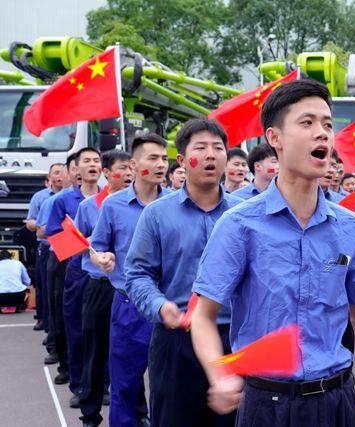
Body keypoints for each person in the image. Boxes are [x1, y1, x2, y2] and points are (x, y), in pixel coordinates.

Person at [191, 79, 355, 426]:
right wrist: (219, 376)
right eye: (307, 123)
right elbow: (203, 315)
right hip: (268, 404)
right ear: (275, 138)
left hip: (337, 401)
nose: (322, 133)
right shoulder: (239, 225)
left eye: (327, 124)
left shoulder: (349, 226)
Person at [125, 118, 242, 427]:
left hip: (234, 339)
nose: (210, 155)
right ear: (181, 160)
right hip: (176, 339)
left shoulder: (244, 214)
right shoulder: (156, 214)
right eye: (200, 148)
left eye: (218, 148)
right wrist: (159, 305)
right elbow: (137, 274)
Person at [91, 133, 170, 427]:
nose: (161, 165)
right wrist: (102, 259)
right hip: (129, 306)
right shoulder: (113, 206)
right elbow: (97, 247)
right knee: (124, 383)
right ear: (134, 165)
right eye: (153, 158)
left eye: (164, 159)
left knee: (170, 385)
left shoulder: (176, 203)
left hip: (170, 306)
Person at [75, 149, 132, 426]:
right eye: (123, 168)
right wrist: (91, 245)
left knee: (129, 355)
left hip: (131, 290)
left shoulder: (147, 205)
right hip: (99, 286)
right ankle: (90, 413)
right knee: (95, 351)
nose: (129, 173)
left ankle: (136, 413)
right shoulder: (89, 207)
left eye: (131, 167)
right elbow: (74, 245)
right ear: (107, 173)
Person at [45, 148, 101, 401]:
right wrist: (84, 240)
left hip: (104, 275)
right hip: (76, 270)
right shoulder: (63, 200)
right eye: (86, 161)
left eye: (96, 160)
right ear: (76, 169)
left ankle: (103, 384)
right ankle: (78, 384)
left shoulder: (110, 198)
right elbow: (56, 241)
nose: (92, 164)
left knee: (102, 332)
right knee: (76, 329)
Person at [36, 154, 78, 366]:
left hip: (92, 264)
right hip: (62, 259)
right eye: (75, 168)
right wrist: (80, 240)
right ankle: (59, 353)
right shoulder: (55, 201)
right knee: (59, 308)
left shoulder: (104, 198)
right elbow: (44, 232)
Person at [26, 163, 67, 330]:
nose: (60, 176)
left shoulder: (75, 197)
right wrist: (47, 225)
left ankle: (57, 328)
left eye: (62, 172)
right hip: (48, 248)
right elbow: (31, 223)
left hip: (69, 249)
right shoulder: (42, 198)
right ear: (49, 178)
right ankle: (43, 319)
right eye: (56, 173)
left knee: (62, 291)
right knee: (45, 286)